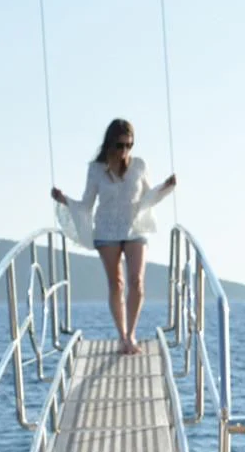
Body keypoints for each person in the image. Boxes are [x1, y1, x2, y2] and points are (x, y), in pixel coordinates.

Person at [51, 118, 176, 354]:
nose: (124, 150)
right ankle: (122, 335)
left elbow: (147, 197)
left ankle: (131, 334)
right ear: (109, 143)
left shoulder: (139, 165)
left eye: (129, 145)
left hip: (134, 228)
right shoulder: (96, 169)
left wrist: (166, 186)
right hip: (107, 230)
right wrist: (64, 199)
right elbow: (86, 205)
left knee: (137, 282)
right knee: (116, 283)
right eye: (120, 145)